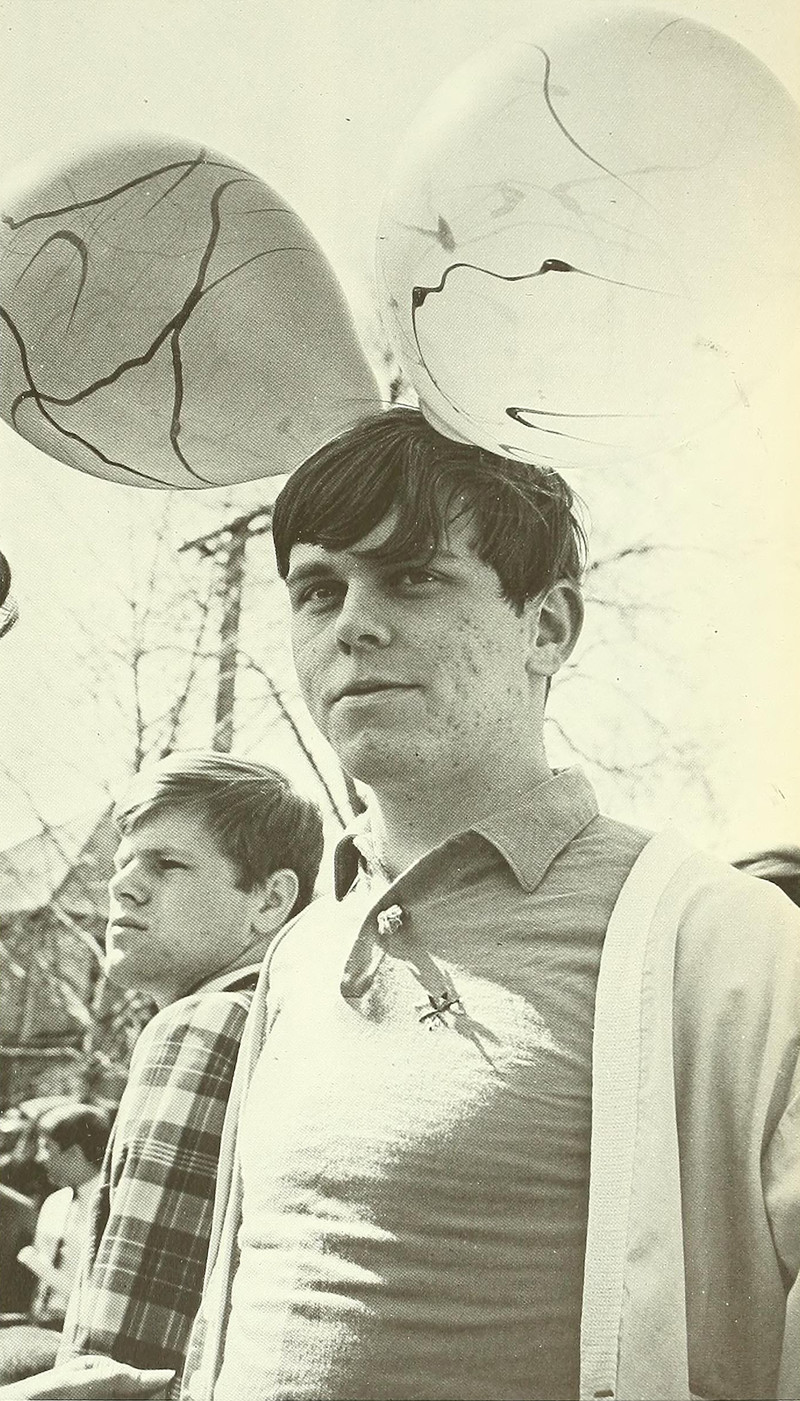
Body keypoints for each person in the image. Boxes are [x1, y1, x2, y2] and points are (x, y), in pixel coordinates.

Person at [181, 407, 800, 1401]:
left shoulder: (727, 945)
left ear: (545, 627)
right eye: (318, 589)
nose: (352, 624)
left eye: (413, 576)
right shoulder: (299, 954)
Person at [49, 752, 323, 1397]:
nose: (123, 886)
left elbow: (122, 1359)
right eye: (123, 863)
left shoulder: (207, 1024)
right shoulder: (285, 1022)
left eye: (167, 864)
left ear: (270, 901)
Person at [0, 1106, 110, 1384]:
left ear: (74, 1153)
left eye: (47, 1148)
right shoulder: (55, 1203)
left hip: (80, 1340)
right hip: (39, 1329)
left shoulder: (109, 1210)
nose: (39, 1158)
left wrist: (34, 1262)